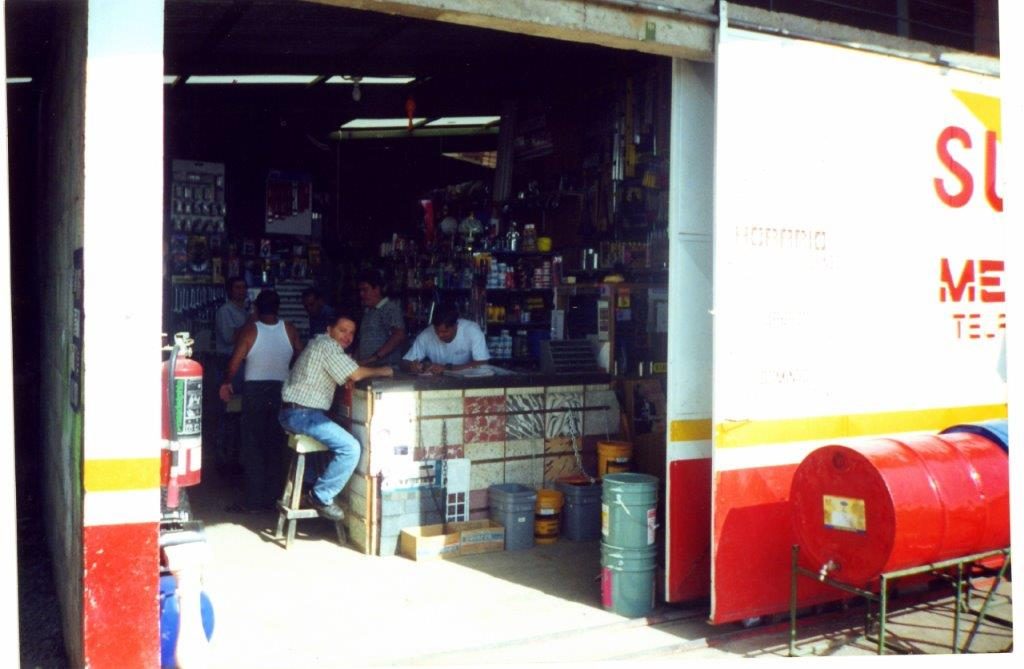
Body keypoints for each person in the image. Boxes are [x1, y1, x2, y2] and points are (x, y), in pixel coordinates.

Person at [279, 313, 394, 521]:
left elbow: (348, 373)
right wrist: (384, 371)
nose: (347, 337)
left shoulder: (319, 343)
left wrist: (351, 374)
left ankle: (309, 486)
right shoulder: (328, 346)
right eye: (342, 330)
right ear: (329, 329)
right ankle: (320, 496)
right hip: (303, 413)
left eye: (351, 333)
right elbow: (355, 374)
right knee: (351, 448)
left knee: (333, 439)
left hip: (295, 412)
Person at [220, 289, 303, 513]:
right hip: (281, 391)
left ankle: (254, 501)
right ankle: (273, 498)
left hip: (255, 391)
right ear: (278, 308)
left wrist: (226, 382)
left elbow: (235, 362)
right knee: (275, 444)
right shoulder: (289, 329)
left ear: (256, 308)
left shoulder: (250, 330)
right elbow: (300, 354)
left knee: (253, 445)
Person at [208, 276, 250, 476]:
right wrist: (249, 324)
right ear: (230, 290)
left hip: (243, 365)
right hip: (228, 363)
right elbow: (228, 338)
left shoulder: (245, 311)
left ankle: (235, 459)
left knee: (238, 414)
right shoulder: (225, 311)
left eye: (243, 287)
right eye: (237, 287)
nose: (241, 291)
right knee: (227, 413)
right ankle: (223, 461)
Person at [401, 304, 489, 375]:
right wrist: (411, 367)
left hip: (469, 383)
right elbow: (404, 362)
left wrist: (447, 368)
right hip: (437, 384)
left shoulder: (472, 331)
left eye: (445, 331)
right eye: (437, 331)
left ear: (456, 325)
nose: (440, 335)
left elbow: (482, 363)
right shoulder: (426, 335)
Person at [354, 269, 406, 367]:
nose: (361, 294)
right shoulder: (368, 311)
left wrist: (374, 357)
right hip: (367, 367)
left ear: (377, 289)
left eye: (365, 290)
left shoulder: (390, 308)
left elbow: (399, 335)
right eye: (360, 290)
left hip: (386, 368)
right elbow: (363, 341)